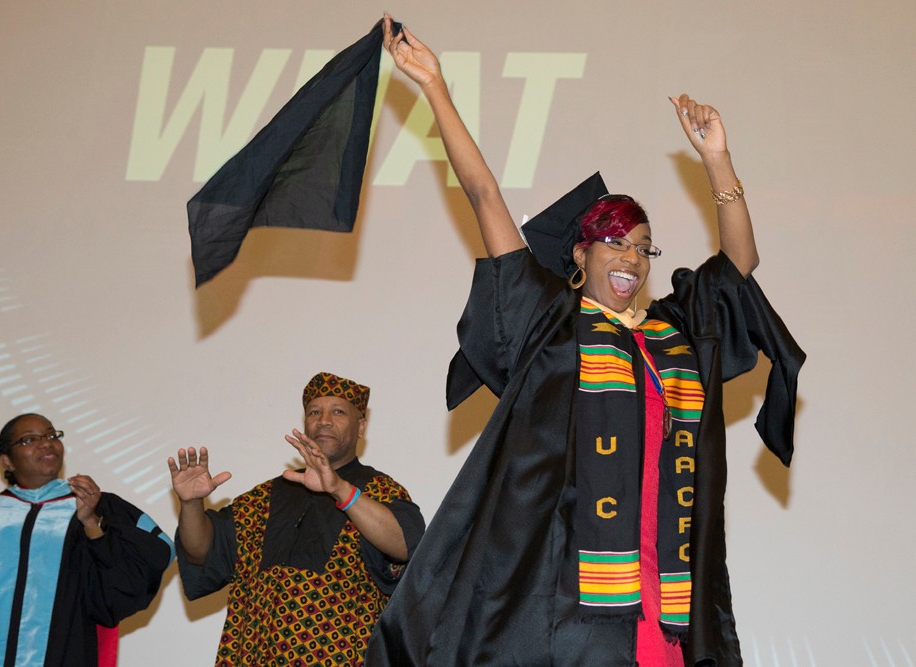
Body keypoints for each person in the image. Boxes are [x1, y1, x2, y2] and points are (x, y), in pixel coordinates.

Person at [367, 16, 804, 666]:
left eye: (641, 245)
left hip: (665, 601)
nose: (630, 257)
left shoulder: (673, 334)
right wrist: (435, 89)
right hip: (570, 607)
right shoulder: (554, 323)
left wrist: (717, 160)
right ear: (580, 253)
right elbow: (485, 196)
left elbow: (737, 263)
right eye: (613, 241)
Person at [169, 372, 425, 666]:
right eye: (314, 412)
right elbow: (201, 552)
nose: (324, 420)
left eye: (338, 411)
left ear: (361, 426)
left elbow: (407, 545)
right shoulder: (262, 498)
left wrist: (340, 490)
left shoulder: (380, 491)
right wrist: (190, 504)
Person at [0, 413, 175, 667]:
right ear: (7, 461)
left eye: (52, 435)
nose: (46, 442)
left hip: (62, 652)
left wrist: (92, 524)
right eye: (29, 439)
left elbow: (131, 578)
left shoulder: (96, 505)